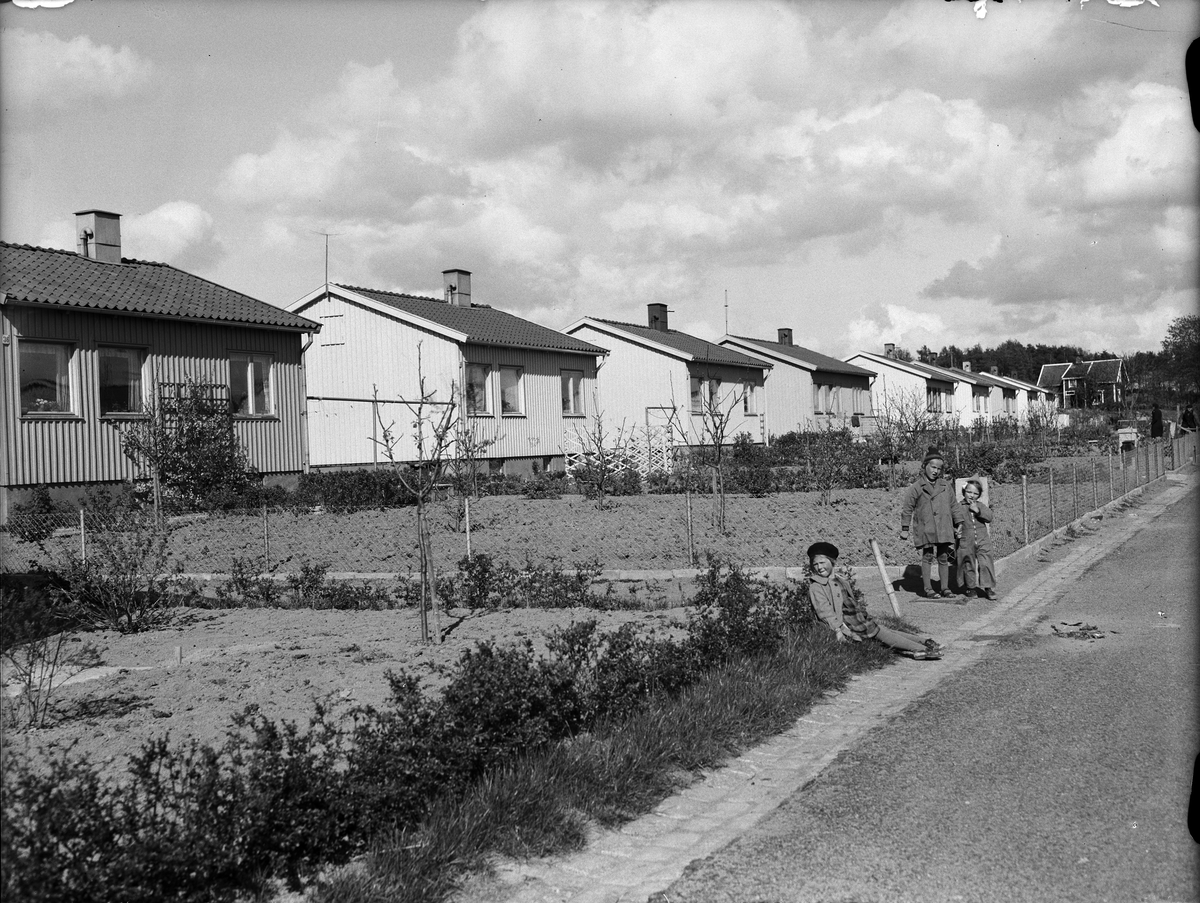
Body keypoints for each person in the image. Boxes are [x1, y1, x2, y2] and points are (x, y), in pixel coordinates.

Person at [805, 541, 943, 660]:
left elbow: (851, 601)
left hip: (856, 617)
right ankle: (919, 648)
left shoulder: (840, 579)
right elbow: (824, 612)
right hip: (847, 623)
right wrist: (838, 631)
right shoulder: (816, 586)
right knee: (880, 633)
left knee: (884, 630)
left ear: (832, 561)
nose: (819, 567)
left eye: (822, 562)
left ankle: (926, 642)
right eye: (815, 564)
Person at [899, 447, 964, 599]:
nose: (936, 471)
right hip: (926, 526)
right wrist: (904, 528)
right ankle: (928, 588)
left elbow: (954, 505)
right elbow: (907, 508)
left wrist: (958, 522)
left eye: (939, 469)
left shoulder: (945, 485)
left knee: (943, 556)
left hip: (943, 525)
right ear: (925, 466)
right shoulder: (916, 487)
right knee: (927, 556)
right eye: (933, 467)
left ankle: (945, 588)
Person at [956, 478, 997, 600]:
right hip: (965, 540)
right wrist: (955, 531)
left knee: (985, 562)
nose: (972, 496)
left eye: (975, 493)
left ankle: (988, 588)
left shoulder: (980, 506)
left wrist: (977, 511)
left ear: (979, 495)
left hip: (982, 539)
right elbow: (953, 522)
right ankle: (971, 588)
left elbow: (989, 517)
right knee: (968, 563)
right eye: (969, 492)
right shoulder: (958, 507)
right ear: (964, 492)